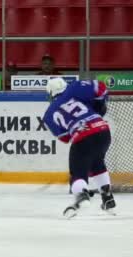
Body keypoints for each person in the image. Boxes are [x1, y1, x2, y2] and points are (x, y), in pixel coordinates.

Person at [42, 78, 115, 218]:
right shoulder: (75, 88)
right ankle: (108, 199)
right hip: (103, 130)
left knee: (78, 172)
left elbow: (65, 138)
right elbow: (101, 88)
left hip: (83, 136)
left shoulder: (49, 114)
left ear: (51, 94)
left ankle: (82, 196)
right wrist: (99, 107)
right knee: (97, 163)